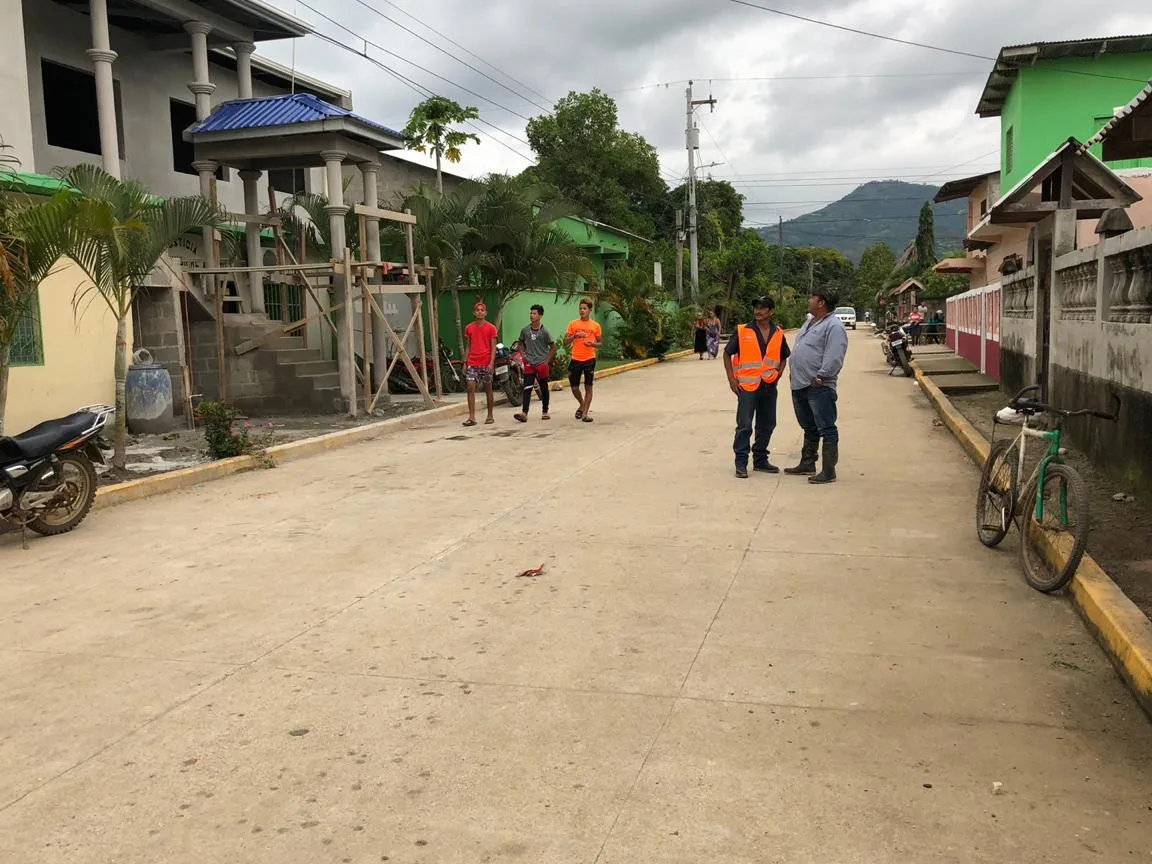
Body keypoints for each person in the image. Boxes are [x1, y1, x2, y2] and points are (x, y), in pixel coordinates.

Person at [785, 288, 849, 485]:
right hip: (800, 382)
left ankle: (829, 470)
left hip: (818, 384)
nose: (809, 300)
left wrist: (822, 375)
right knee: (809, 426)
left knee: (826, 427)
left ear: (821, 303)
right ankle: (807, 462)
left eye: (813, 298)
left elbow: (835, 355)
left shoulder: (834, 326)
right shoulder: (809, 322)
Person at [723, 296, 790, 479]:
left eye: (762, 308)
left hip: (769, 385)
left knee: (767, 424)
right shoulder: (743, 330)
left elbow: (784, 356)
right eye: (756, 308)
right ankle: (741, 463)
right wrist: (732, 379)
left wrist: (779, 373)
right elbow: (727, 353)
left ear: (771, 311)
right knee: (744, 425)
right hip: (747, 386)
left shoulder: (778, 333)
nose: (758, 311)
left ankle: (760, 460)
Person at [514, 304, 555, 423]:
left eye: (534, 313)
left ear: (540, 316)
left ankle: (545, 411)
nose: (532, 315)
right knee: (527, 387)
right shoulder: (525, 330)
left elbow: (553, 347)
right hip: (529, 363)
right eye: (531, 313)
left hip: (542, 363)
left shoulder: (545, 332)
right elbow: (520, 343)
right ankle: (524, 413)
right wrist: (523, 355)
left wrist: (546, 362)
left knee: (543, 387)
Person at [564, 298, 603, 423]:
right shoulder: (573, 324)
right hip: (576, 359)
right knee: (574, 387)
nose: (582, 311)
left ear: (590, 310)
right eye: (580, 308)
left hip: (589, 359)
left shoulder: (595, 326)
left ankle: (585, 413)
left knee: (588, 386)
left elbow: (600, 343)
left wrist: (592, 344)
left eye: (585, 308)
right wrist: (575, 336)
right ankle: (581, 404)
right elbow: (565, 342)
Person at [462, 300, 498, 427]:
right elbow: (468, 346)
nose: (480, 312)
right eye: (477, 310)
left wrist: (491, 363)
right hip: (472, 362)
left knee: (488, 388)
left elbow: (493, 347)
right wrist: (465, 362)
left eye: (482, 310)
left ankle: (490, 415)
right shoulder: (469, 328)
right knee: (470, 386)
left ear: (486, 313)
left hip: (486, 362)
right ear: (474, 312)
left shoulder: (492, 328)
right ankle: (471, 417)